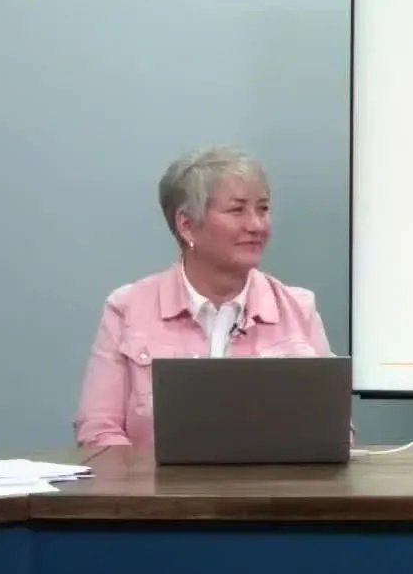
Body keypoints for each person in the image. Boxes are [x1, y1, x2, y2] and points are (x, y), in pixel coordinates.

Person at [74, 145, 339, 449]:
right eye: (237, 210)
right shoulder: (127, 308)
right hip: (155, 494)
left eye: (262, 209)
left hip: (271, 494)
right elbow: (98, 430)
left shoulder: (298, 309)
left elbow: (336, 432)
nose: (256, 225)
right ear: (186, 224)